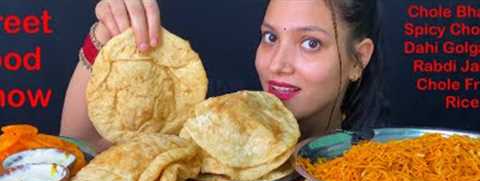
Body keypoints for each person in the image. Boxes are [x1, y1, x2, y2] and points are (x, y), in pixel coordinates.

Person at [60, 0, 385, 151]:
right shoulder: (207, 131)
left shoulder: (382, 165)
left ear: (359, 59)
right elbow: (79, 148)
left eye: (311, 43)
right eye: (270, 37)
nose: (278, 64)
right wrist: (105, 36)